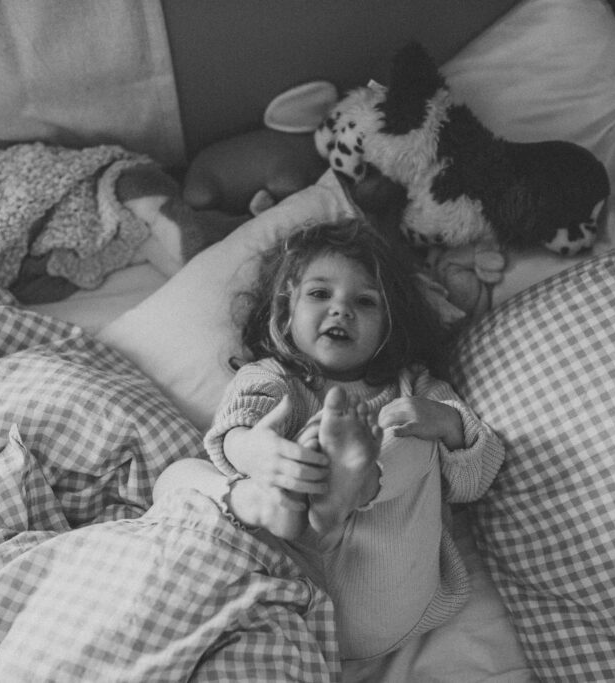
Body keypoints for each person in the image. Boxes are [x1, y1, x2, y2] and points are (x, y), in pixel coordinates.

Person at [153, 219, 504, 661]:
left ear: (390, 325)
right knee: (178, 474)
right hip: (285, 584)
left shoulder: (413, 386)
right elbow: (229, 435)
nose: (341, 310)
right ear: (285, 310)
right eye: (320, 294)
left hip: (377, 589)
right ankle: (265, 501)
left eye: (364, 301)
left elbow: (477, 478)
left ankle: (358, 482)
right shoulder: (270, 377)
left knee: (408, 428)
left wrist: (448, 425)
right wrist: (256, 453)